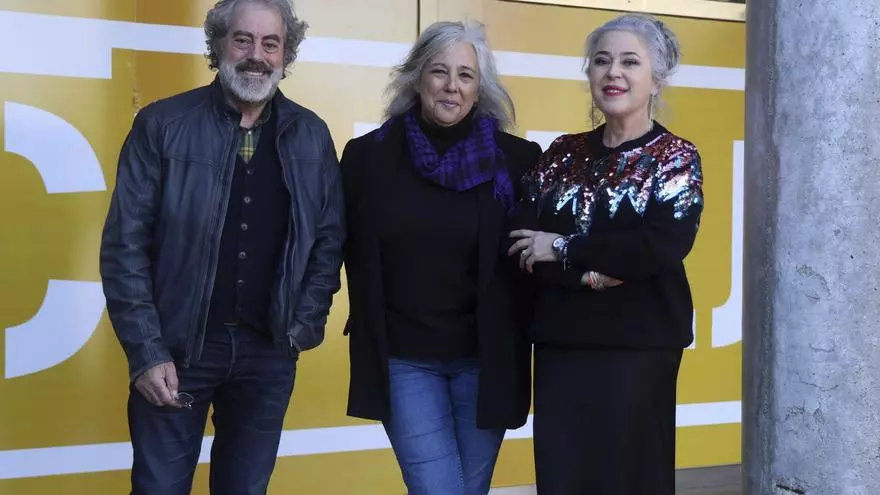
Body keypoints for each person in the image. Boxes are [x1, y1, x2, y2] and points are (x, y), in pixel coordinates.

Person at [98, 0, 344, 493]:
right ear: (219, 44)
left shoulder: (311, 135)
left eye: (271, 44)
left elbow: (328, 238)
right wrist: (147, 352)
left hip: (268, 354)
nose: (257, 55)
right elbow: (125, 247)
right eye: (243, 40)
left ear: (286, 53)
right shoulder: (163, 124)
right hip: (175, 354)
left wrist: (300, 328)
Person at [339, 20, 541, 495]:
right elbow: (337, 244)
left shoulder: (517, 160)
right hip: (403, 359)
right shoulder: (368, 157)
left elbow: (531, 259)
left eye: (466, 75)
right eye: (439, 71)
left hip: (486, 360)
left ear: (480, 87)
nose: (452, 85)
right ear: (416, 78)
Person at [507, 13, 704, 494]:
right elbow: (521, 243)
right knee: (564, 478)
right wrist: (589, 273)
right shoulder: (560, 154)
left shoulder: (675, 158)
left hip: (640, 349)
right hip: (562, 346)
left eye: (630, 62)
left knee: (630, 479)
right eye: (601, 61)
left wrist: (561, 246)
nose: (613, 72)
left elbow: (660, 247)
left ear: (656, 79)